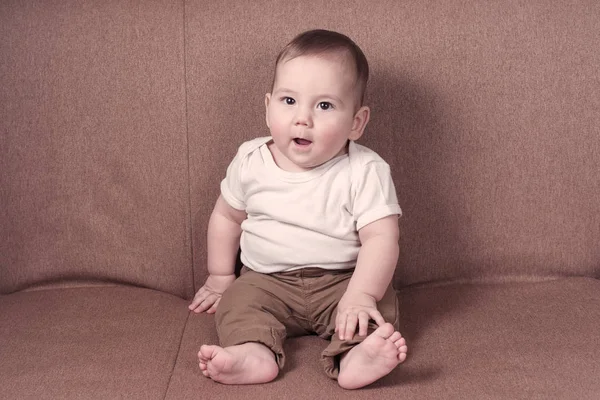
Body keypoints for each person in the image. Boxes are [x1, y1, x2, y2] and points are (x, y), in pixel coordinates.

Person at [188, 29, 407, 390]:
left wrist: (361, 293)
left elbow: (382, 238)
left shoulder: (365, 170)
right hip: (264, 281)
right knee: (238, 304)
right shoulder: (251, 160)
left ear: (356, 122)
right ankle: (252, 352)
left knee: (376, 309)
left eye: (324, 105)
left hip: (342, 281)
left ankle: (355, 355)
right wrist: (220, 276)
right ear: (268, 106)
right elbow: (227, 217)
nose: (302, 118)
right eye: (289, 101)